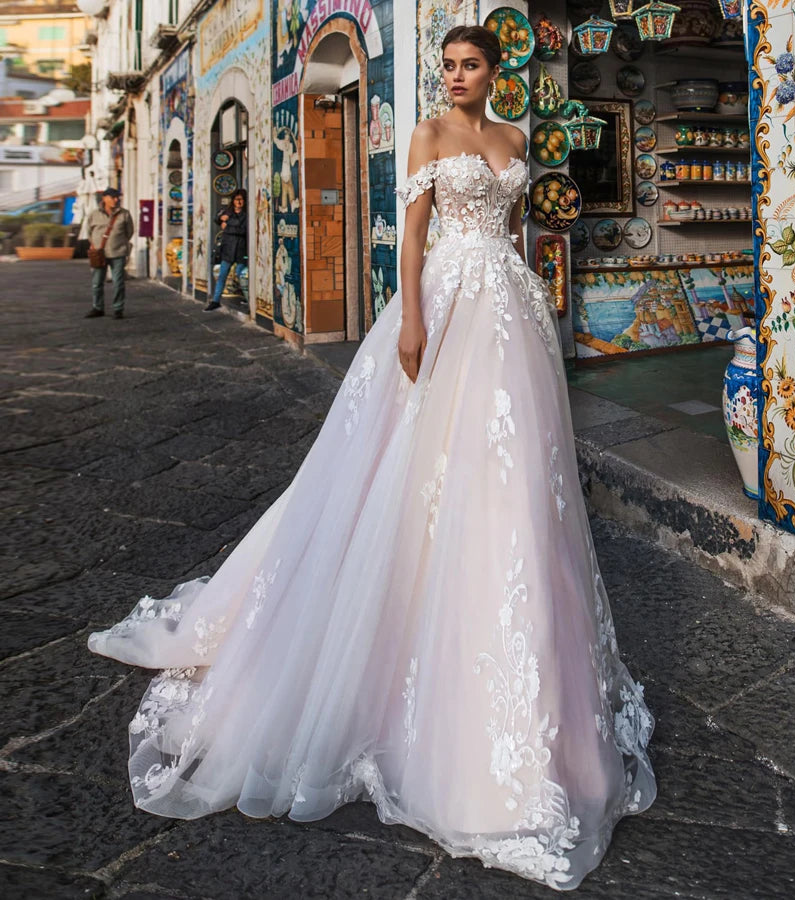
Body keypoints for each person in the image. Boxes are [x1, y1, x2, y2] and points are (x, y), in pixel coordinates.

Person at [87, 25, 655, 891]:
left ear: (495, 72)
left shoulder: (515, 140)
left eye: (471, 66)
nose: (458, 77)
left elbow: (524, 223)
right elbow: (415, 235)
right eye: (450, 66)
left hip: (511, 312)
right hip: (447, 306)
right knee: (414, 464)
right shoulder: (427, 134)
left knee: (517, 481)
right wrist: (414, 317)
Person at [85, 187, 134, 319]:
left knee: (118, 282)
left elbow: (129, 232)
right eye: (113, 197)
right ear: (105, 198)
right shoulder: (94, 214)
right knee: (97, 282)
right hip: (99, 253)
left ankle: (118, 308)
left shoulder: (124, 214)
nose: (116, 200)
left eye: (117, 197)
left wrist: (119, 242)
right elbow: (89, 232)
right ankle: (97, 307)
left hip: (118, 252)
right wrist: (95, 244)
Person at [204, 188, 248, 311]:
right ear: (233, 200)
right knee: (222, 276)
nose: (239, 202)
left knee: (242, 275)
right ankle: (215, 301)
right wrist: (222, 219)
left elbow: (243, 230)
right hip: (228, 249)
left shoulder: (246, 215)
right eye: (236, 199)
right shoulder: (229, 212)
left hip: (241, 250)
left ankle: (248, 298)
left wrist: (227, 226)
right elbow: (217, 217)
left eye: (241, 199)